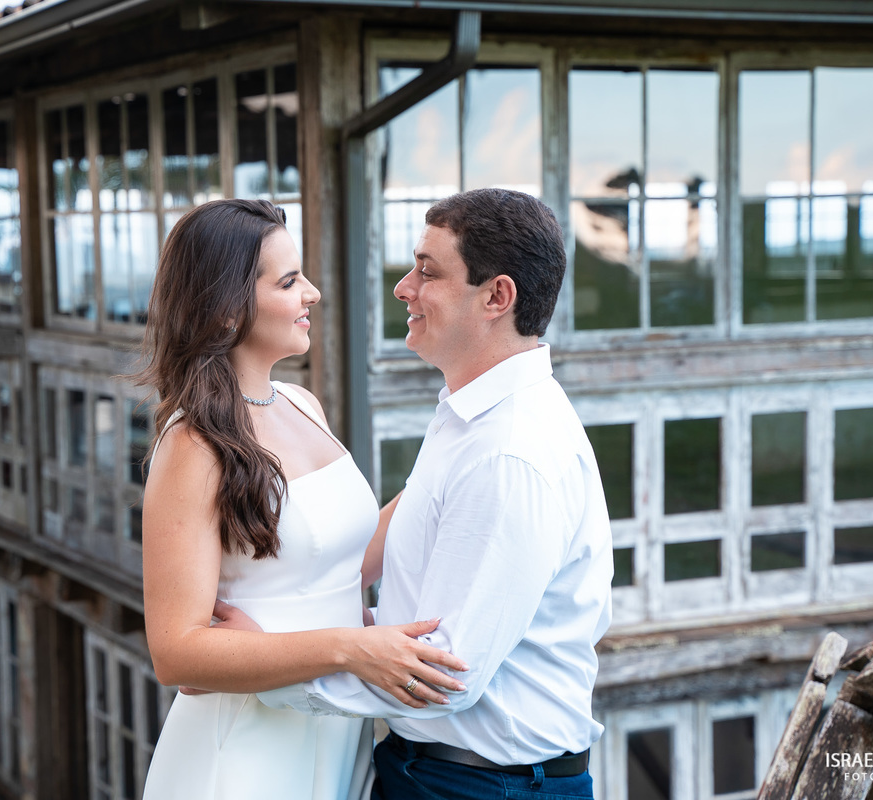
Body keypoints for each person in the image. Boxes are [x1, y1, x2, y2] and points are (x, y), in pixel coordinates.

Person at [256, 188, 615, 800]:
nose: (403, 288)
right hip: (446, 773)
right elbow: (421, 609)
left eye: (428, 271)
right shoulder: (469, 416)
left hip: (481, 787)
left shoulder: (508, 452)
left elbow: (446, 675)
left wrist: (266, 669)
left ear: (497, 297)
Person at [134, 198, 467, 800]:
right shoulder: (192, 444)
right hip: (247, 748)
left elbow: (342, 561)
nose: (312, 293)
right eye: (289, 281)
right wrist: (349, 647)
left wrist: (454, 463)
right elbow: (176, 652)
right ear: (227, 304)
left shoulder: (300, 403)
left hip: (335, 730)